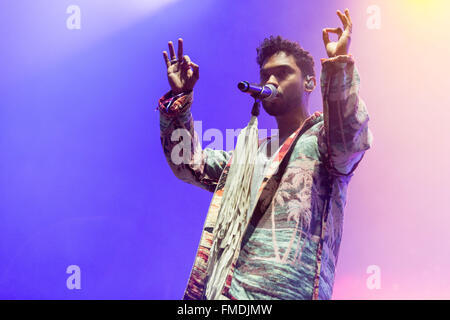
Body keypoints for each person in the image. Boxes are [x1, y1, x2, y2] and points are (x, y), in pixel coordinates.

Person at [157, 9, 373, 300]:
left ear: (309, 82)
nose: (271, 80)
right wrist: (181, 99)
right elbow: (187, 162)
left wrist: (337, 65)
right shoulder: (247, 154)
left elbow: (350, 134)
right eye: (265, 75)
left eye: (283, 73)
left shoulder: (324, 140)